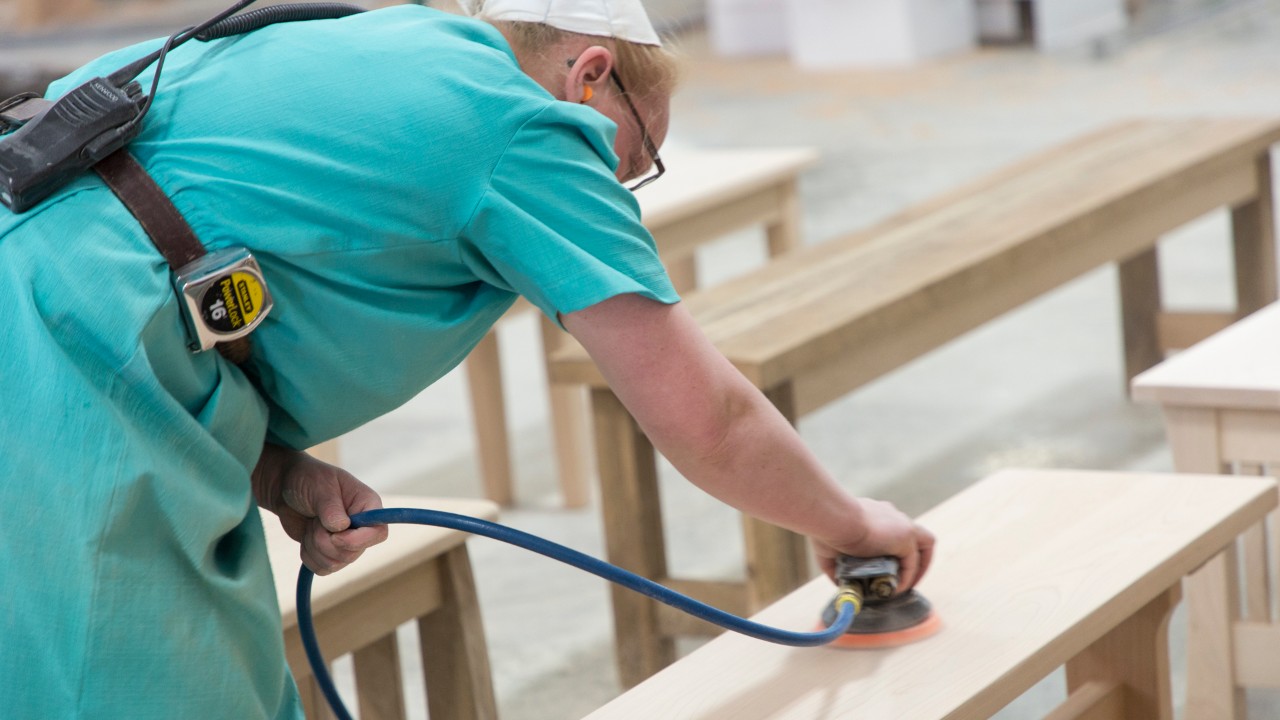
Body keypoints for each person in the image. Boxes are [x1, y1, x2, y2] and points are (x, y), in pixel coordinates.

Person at [0, 0, 934, 717]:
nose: (616, 186)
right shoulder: (522, 122)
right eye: (633, 157)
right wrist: (853, 528)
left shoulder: (388, 45)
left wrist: (275, 469)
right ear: (590, 75)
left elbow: (147, 238)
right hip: (63, 386)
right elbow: (706, 419)